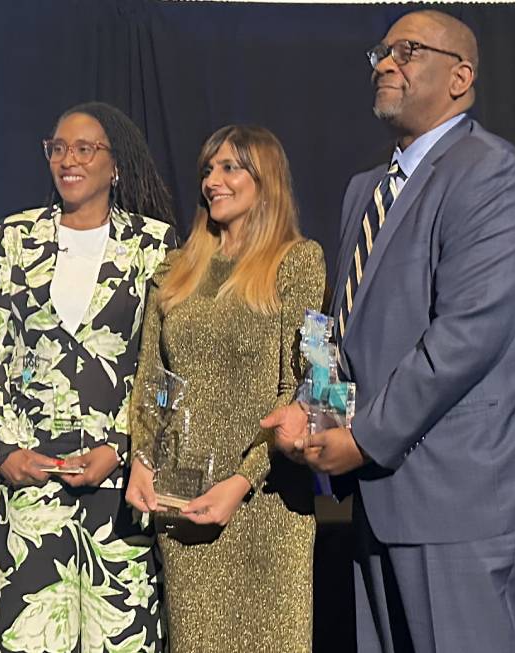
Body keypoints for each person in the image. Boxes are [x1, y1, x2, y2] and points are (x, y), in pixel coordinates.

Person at [263, 10, 515, 653]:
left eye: (407, 51)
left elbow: (467, 336)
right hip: (385, 497)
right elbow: (344, 329)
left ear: (460, 77)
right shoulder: (366, 191)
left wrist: (363, 439)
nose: (385, 62)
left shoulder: (492, 175)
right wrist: (315, 412)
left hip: (466, 496)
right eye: (382, 50)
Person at [0, 102, 176, 653]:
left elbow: (165, 363)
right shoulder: (16, 236)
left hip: (117, 484)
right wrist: (3, 451)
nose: (68, 160)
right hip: (29, 482)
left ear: (115, 164)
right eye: (58, 148)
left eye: (84, 149)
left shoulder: (154, 244)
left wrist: (124, 446)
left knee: (121, 639)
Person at [125, 125, 326, 652]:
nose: (212, 180)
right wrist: (143, 460)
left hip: (266, 504)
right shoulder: (175, 270)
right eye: (208, 170)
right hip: (185, 500)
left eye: (230, 167)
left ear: (266, 179)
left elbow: (302, 385)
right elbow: (155, 380)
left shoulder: (297, 261)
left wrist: (241, 481)